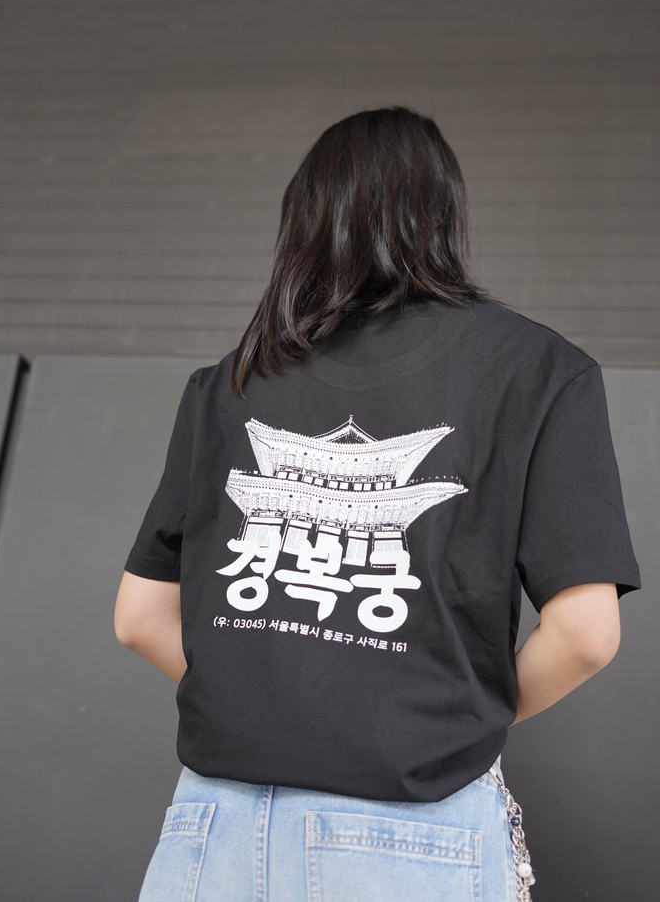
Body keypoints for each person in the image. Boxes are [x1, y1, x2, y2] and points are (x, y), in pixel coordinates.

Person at [114, 105, 641, 902]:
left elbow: (138, 615)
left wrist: (274, 705)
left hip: (208, 829)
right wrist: (442, 720)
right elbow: (587, 635)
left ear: (304, 220)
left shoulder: (233, 379)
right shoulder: (540, 369)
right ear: (445, 216)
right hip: (410, 835)